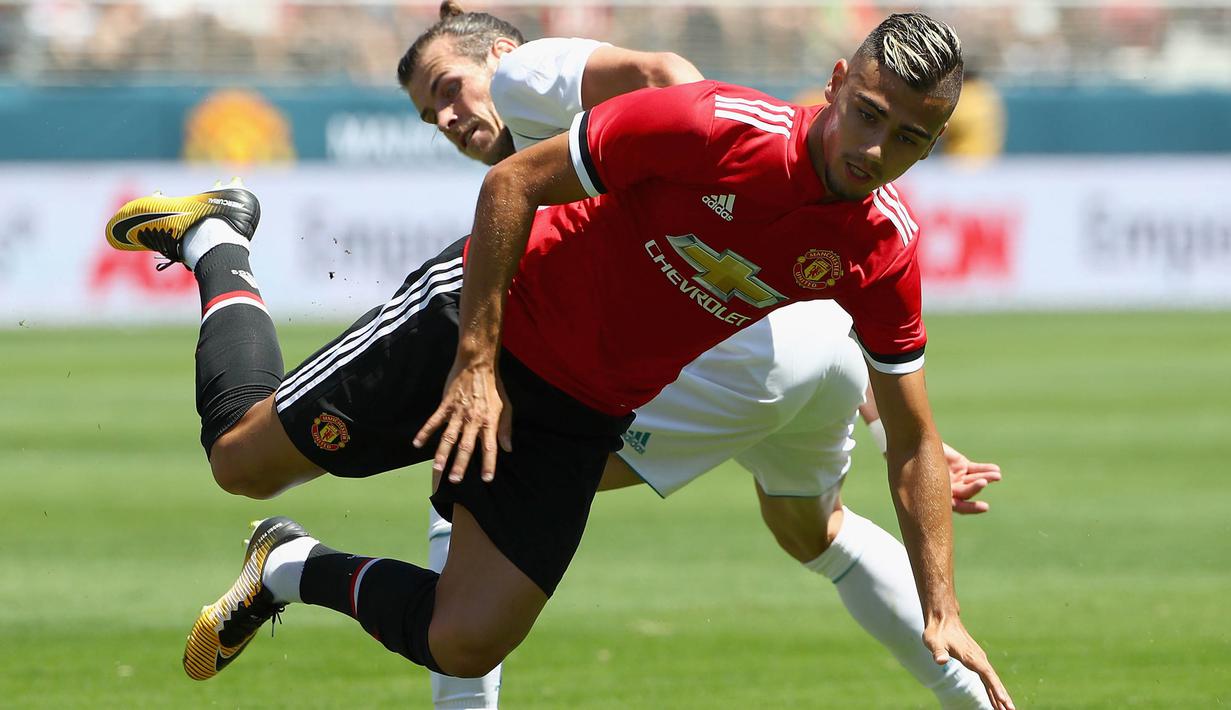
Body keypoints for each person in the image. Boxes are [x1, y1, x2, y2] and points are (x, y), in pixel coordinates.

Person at [104, 11, 1014, 710]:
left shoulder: (882, 245)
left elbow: (914, 438)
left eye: (908, 140)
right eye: (867, 115)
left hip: (581, 411)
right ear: (835, 81)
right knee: (240, 461)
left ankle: (289, 569)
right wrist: (475, 363)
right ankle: (219, 241)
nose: (874, 150)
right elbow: (512, 183)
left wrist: (943, 607)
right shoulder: (713, 127)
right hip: (485, 318)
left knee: (464, 642)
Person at [403, 5, 1001, 708]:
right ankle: (979, 698)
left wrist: (709, 134)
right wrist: (888, 433)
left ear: (497, 52)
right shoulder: (847, 210)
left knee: (481, 462)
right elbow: (764, 280)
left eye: (449, 87)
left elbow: (668, 81)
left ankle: (312, 586)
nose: (446, 117)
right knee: (816, 532)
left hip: (736, 366)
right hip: (802, 349)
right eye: (425, 112)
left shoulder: (526, 77)